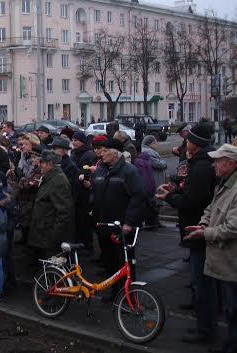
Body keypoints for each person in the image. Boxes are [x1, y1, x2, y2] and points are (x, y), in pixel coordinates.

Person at [156, 123, 217, 334]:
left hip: (198, 228)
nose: (186, 143)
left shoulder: (201, 167)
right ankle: (202, 316)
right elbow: (190, 191)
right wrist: (175, 189)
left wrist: (170, 197)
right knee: (200, 279)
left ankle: (206, 329)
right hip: (197, 227)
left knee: (203, 280)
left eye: (189, 140)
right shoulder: (199, 163)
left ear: (196, 144)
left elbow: (193, 200)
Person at [184, 144, 237, 352]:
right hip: (223, 259)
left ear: (231, 164)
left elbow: (233, 227)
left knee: (234, 309)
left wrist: (205, 233)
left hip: (231, 259)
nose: (213, 164)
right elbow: (211, 208)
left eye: (218, 161)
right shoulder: (224, 183)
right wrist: (204, 223)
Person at [86, 138, 145, 289]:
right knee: (109, 261)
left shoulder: (129, 171)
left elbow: (137, 197)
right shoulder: (100, 170)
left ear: (116, 153)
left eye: (105, 151)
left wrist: (129, 222)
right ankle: (114, 292)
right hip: (103, 224)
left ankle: (127, 294)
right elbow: (94, 191)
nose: (101, 154)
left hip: (121, 226)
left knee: (124, 262)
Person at [28, 150, 74, 260]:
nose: (40, 165)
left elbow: (64, 212)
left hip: (49, 235)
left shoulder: (58, 181)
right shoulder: (50, 177)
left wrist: (55, 236)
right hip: (43, 232)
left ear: (50, 164)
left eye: (42, 163)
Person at [70, 131, 96, 248]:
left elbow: (85, 171)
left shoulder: (88, 154)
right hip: (75, 190)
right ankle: (79, 241)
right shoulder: (74, 153)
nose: (73, 142)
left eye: (76, 140)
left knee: (84, 220)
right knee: (77, 220)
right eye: (73, 140)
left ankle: (87, 244)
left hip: (84, 191)